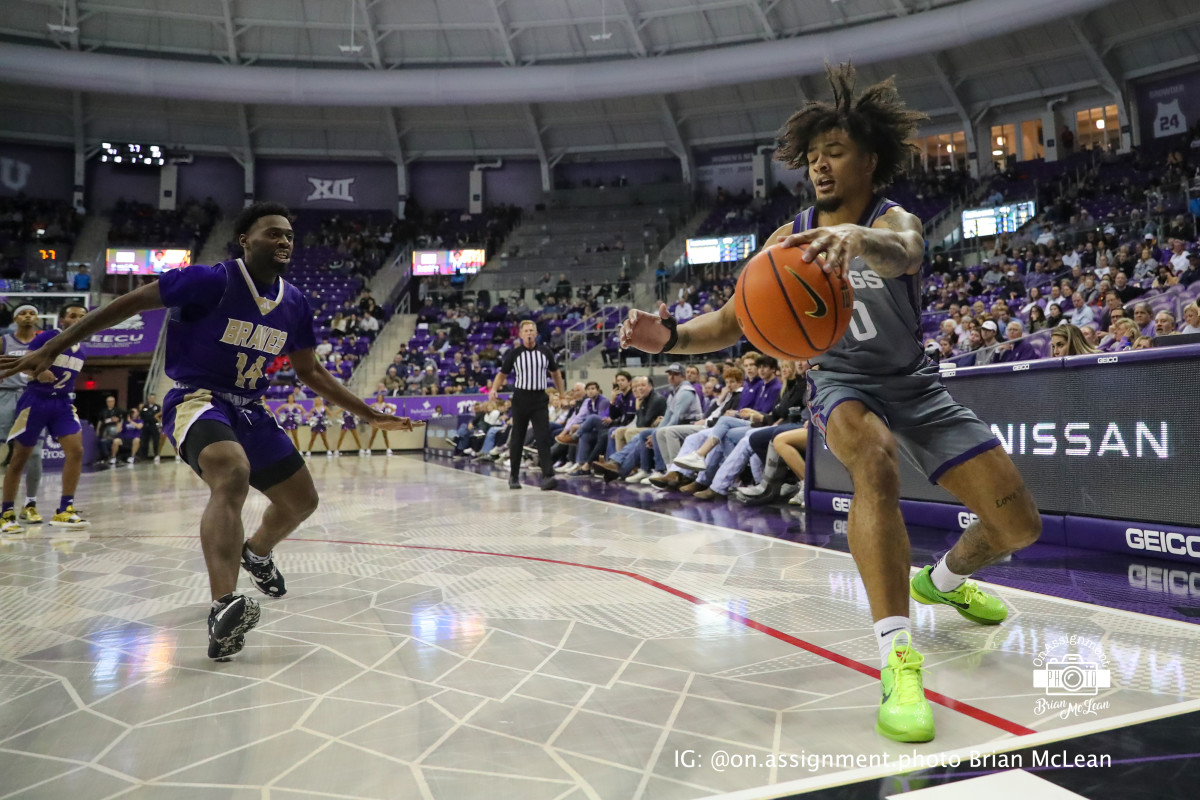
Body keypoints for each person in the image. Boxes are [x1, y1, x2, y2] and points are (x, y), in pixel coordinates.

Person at [619, 64, 1040, 744]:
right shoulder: (788, 239)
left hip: (915, 384)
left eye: (834, 153)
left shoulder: (890, 220)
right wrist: (667, 339)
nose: (820, 166)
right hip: (841, 383)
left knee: (1019, 528)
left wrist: (857, 241)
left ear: (869, 160)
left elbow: (905, 253)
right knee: (871, 461)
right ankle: (899, 656)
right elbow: (732, 320)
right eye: (812, 158)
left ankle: (943, 579)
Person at [0, 202, 416, 661]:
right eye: (272, 233)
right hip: (197, 398)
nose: (283, 241)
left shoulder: (294, 302)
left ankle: (256, 552)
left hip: (251, 408)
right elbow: (127, 303)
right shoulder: (210, 280)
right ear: (245, 239)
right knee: (232, 472)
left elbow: (310, 370)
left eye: (289, 236)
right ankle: (224, 606)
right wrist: (54, 347)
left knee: (302, 502)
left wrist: (369, 414)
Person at [0, 302, 91, 533]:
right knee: (20, 457)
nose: (79, 319)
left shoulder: (81, 349)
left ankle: (65, 509)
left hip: (61, 403)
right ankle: (7, 512)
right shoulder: (49, 338)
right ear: (63, 320)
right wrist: (38, 372)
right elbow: (26, 363)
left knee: (76, 451)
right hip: (35, 400)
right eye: (73, 315)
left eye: (83, 316)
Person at [490, 320, 566, 491]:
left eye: (532, 330)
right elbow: (502, 374)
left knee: (543, 436)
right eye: (526, 331)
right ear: (521, 334)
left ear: (536, 333)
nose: (529, 333)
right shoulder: (514, 353)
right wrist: (494, 389)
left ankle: (548, 475)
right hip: (521, 398)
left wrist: (561, 393)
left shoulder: (545, 352)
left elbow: (555, 373)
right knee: (517, 436)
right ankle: (514, 476)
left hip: (539, 399)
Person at [0, 304, 46, 525]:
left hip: (33, 396)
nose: (28, 316)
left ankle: (30, 504)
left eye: (31, 312)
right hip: (5, 396)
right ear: (15, 318)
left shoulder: (44, 343)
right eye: (23, 312)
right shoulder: (4, 341)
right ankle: (6, 507)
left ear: (37, 317)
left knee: (35, 453)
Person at [365, 391, 398, 455]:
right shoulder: (374, 404)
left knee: (385, 436)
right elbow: (367, 409)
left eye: (381, 397)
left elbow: (393, 409)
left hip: (383, 422)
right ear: (377, 398)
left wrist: (388, 415)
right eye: (378, 397)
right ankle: (368, 449)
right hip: (376, 422)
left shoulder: (385, 404)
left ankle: (388, 449)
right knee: (373, 436)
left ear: (382, 398)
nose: (380, 398)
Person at [141, 392, 163, 463]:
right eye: (150, 398)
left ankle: (156, 455)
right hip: (146, 425)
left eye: (153, 398)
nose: (151, 399)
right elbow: (142, 415)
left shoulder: (158, 407)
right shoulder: (145, 407)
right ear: (148, 399)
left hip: (154, 425)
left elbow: (159, 416)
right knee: (144, 441)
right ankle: (144, 456)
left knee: (156, 440)